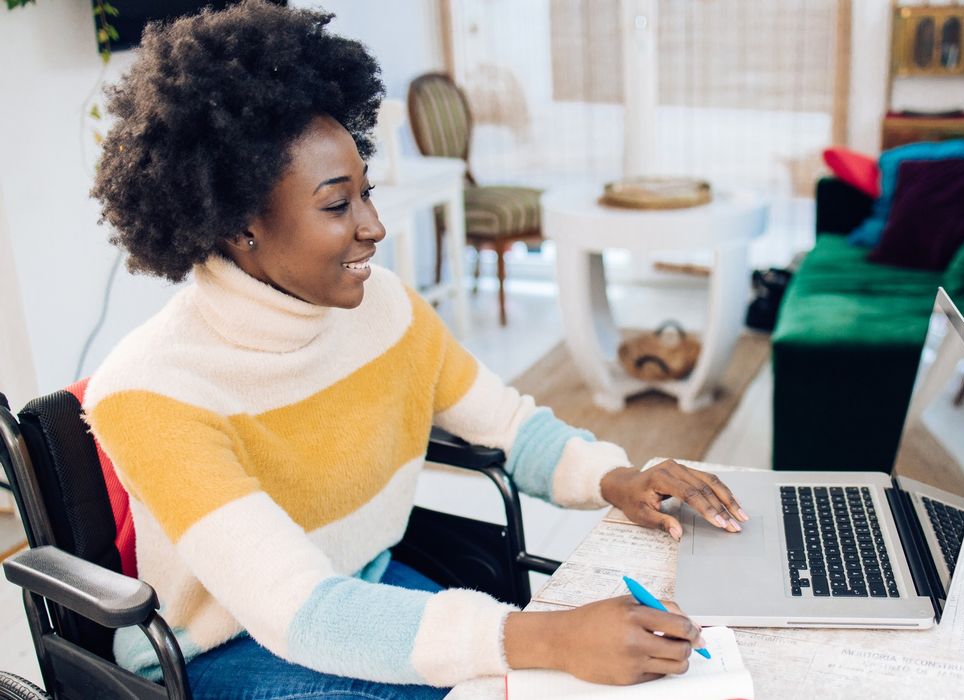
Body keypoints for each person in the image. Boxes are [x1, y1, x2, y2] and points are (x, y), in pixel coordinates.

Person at [84, 2, 747, 698]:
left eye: (366, 194)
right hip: (226, 650)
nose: (373, 227)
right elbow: (297, 611)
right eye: (338, 206)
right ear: (240, 224)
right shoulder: (151, 390)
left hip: (362, 582)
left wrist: (621, 480)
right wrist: (549, 637)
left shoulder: (387, 309)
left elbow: (511, 427)